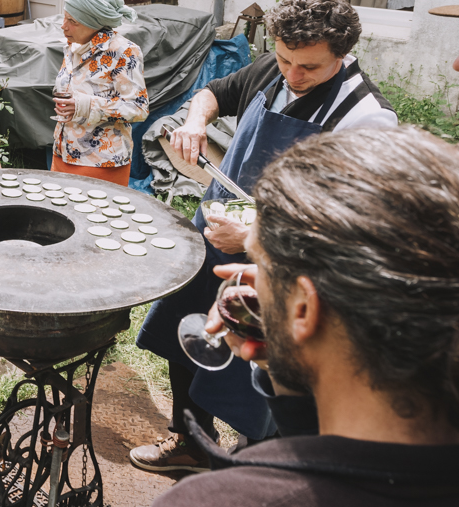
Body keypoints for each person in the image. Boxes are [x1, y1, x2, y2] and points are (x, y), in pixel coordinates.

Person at [132, 0, 397, 473]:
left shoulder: (366, 119)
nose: (293, 75)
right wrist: (194, 121)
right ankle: (190, 439)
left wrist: (256, 239)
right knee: (183, 336)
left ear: (343, 54)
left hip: (282, 264)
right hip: (213, 239)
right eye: (284, 59)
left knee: (260, 369)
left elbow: (346, 227)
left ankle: (253, 471)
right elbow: (215, 93)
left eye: (309, 68)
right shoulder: (275, 69)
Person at [153, 126, 459, 506]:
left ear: (304, 308)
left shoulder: (219, 500)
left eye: (259, 264)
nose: (250, 280)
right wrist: (285, 351)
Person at [50, 0, 149, 186]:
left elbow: (138, 108)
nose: (63, 26)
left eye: (72, 21)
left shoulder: (124, 51)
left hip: (102, 163)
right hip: (62, 154)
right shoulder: (74, 45)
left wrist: (85, 105)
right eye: (65, 17)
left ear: (93, 23)